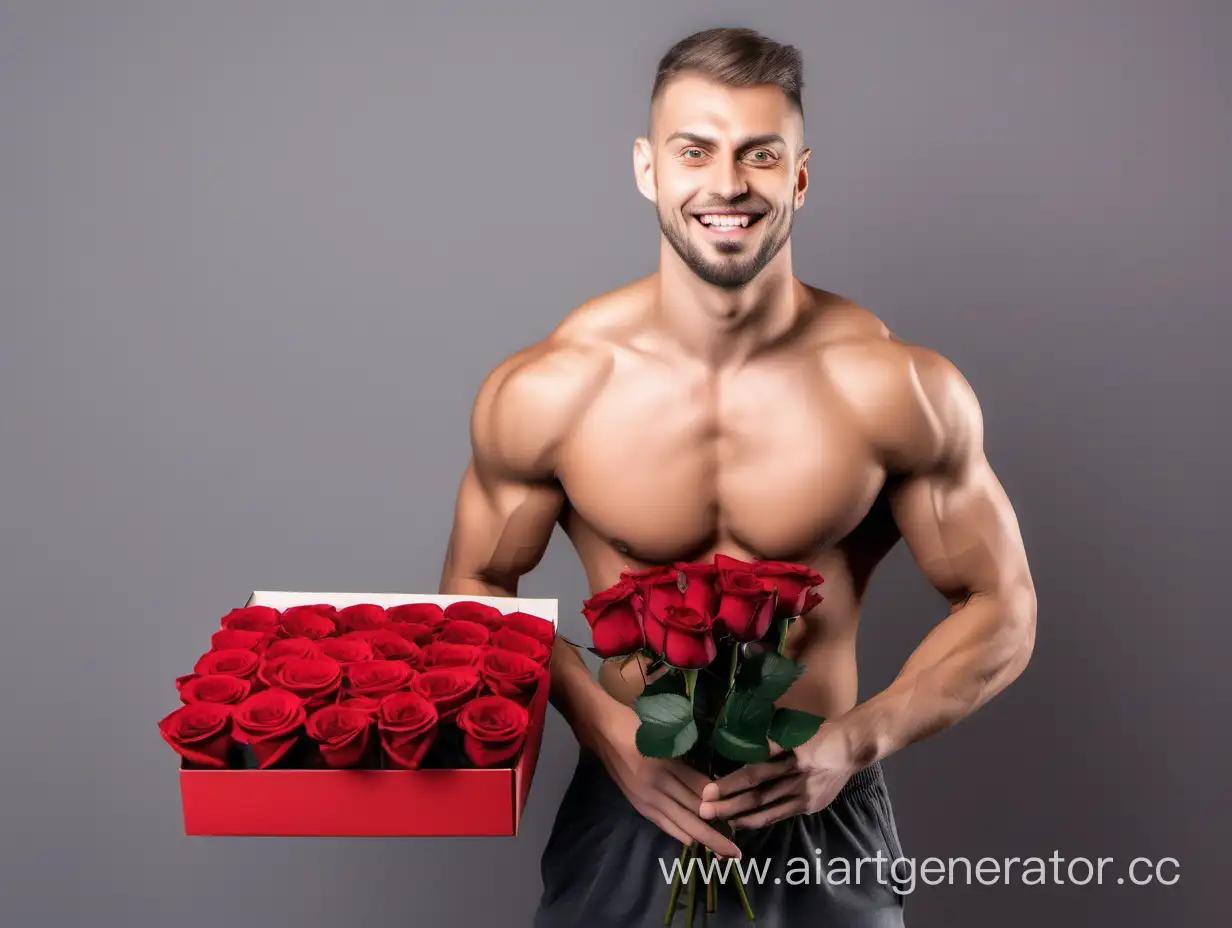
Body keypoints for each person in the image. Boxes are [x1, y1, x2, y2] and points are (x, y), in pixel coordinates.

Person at [438, 26, 1037, 927]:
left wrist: (856, 741)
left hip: (822, 804)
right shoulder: (554, 389)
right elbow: (475, 585)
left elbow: (1004, 605)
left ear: (798, 175)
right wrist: (611, 741)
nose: (726, 185)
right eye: (695, 151)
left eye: (759, 155)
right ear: (649, 169)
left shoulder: (896, 387)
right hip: (631, 800)